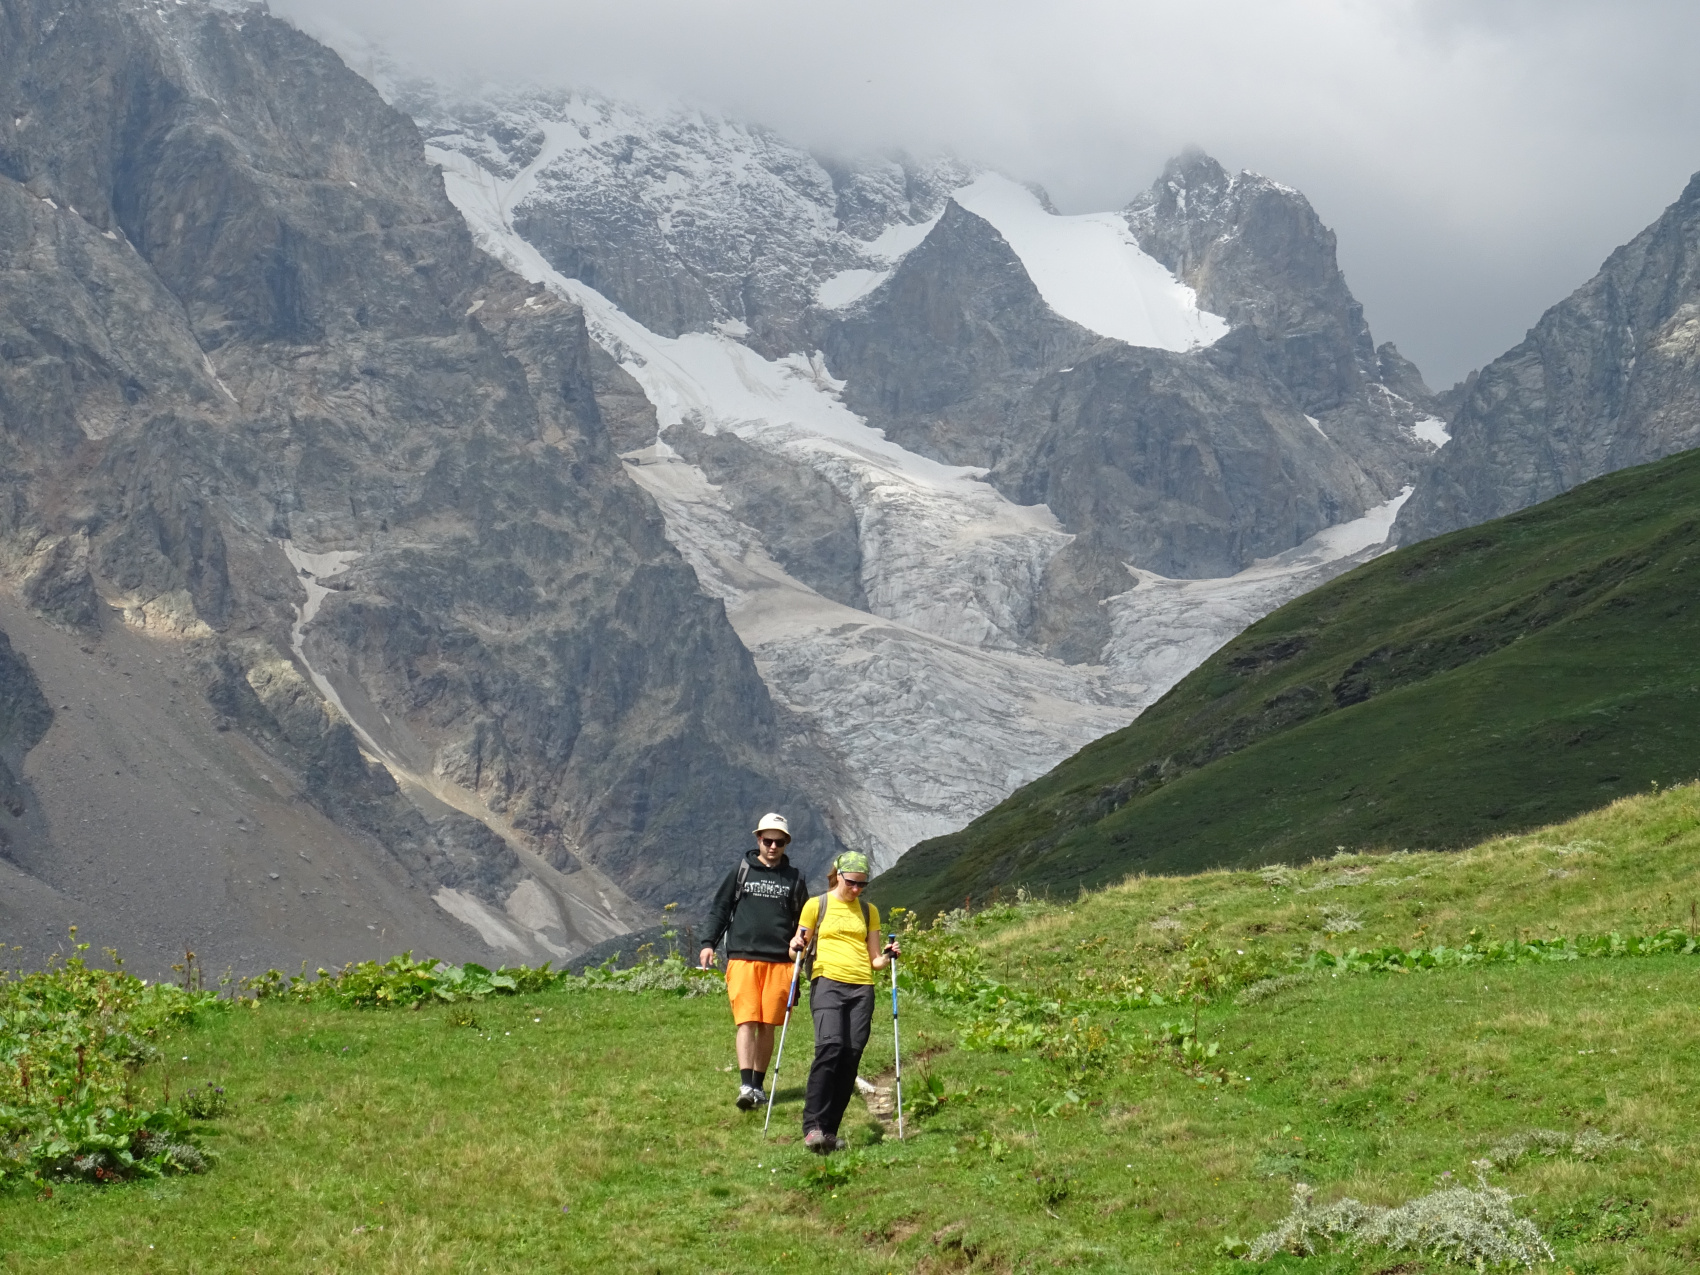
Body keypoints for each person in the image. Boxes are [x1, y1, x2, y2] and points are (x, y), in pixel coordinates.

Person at [788, 850, 899, 1153]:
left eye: (862, 885)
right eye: (851, 883)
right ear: (838, 875)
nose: (856, 890)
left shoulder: (868, 911)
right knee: (830, 1048)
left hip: (862, 987)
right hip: (827, 983)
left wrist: (889, 955)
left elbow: (875, 960)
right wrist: (795, 944)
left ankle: (829, 1132)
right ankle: (813, 1127)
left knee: (850, 1057)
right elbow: (796, 949)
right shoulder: (817, 905)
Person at [699, 812, 811, 1110]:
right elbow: (720, 909)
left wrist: (801, 942)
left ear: (786, 843)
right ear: (758, 839)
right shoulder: (742, 871)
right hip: (743, 957)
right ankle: (747, 1085)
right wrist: (708, 943)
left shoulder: (795, 878)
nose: (772, 846)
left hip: (781, 962)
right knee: (747, 1020)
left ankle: (757, 1086)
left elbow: (804, 920)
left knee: (767, 1024)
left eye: (779, 842)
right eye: (767, 840)